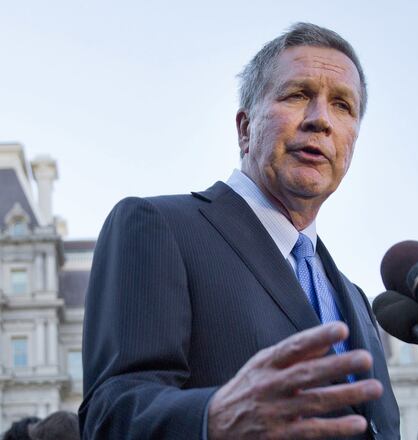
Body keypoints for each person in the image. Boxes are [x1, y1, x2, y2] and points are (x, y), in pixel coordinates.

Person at [79, 23, 399, 439]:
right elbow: (110, 416)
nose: (321, 120)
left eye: (343, 105)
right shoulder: (158, 227)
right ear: (245, 128)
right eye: (298, 95)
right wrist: (211, 418)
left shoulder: (356, 300)